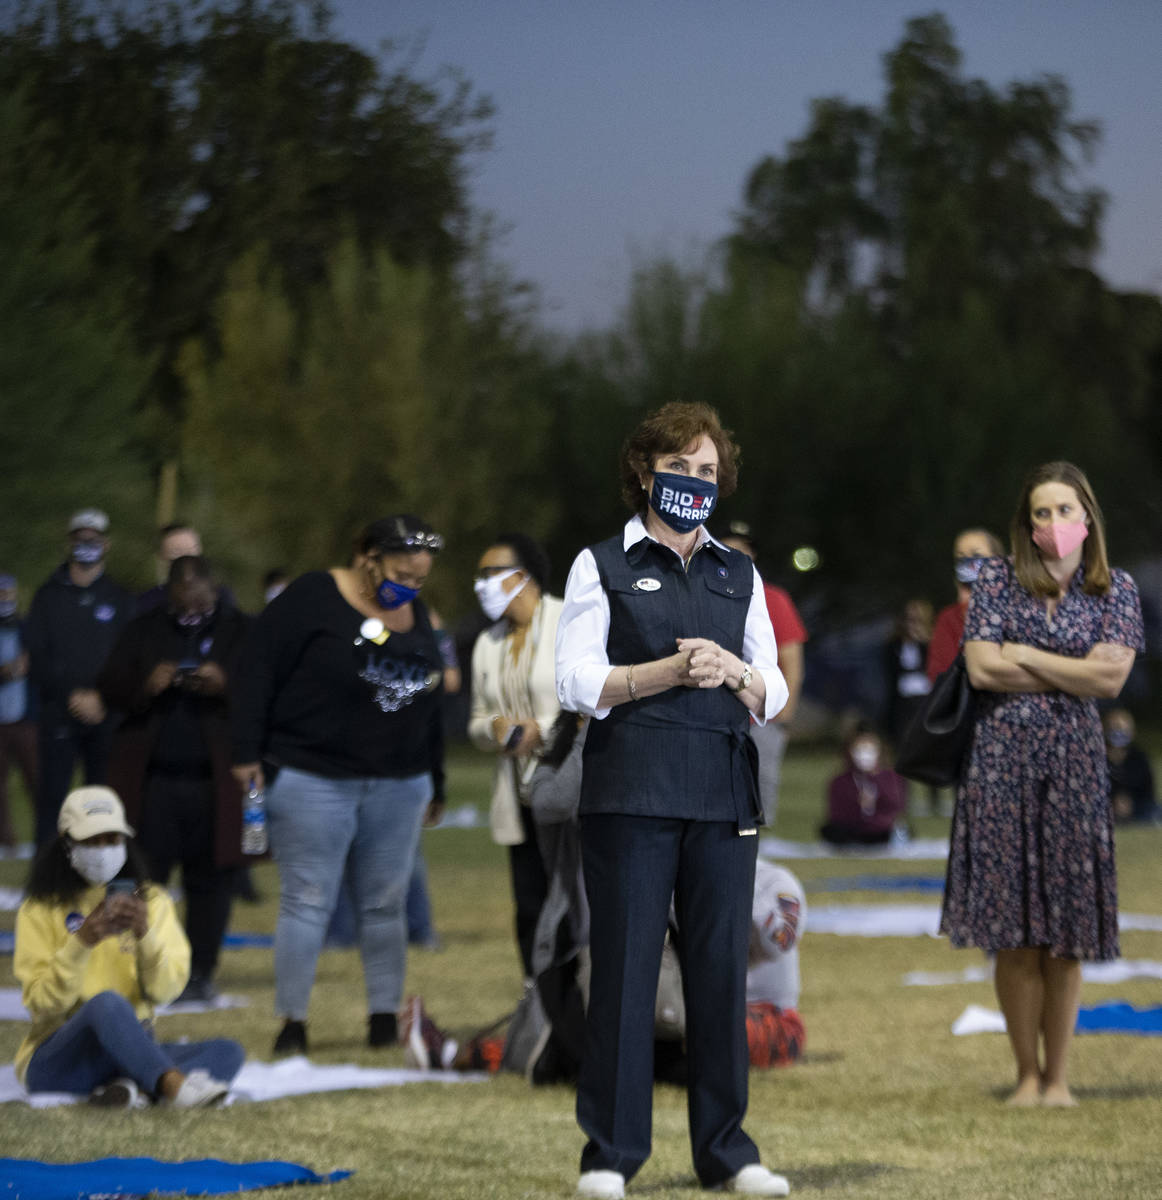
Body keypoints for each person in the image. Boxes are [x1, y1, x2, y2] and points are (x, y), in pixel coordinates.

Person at [556, 401, 790, 1199]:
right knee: (625, 973)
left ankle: (727, 1151)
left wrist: (736, 671)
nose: (695, 480)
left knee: (721, 976)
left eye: (708, 470)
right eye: (680, 466)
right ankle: (611, 1155)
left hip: (722, 795)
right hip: (631, 793)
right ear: (644, 470)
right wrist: (664, 672)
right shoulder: (600, 564)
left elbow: (774, 690)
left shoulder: (740, 573)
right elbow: (575, 681)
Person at [941, 461, 1143, 1108]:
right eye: (1041, 513)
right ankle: (1026, 1075)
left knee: (1066, 931)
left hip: (1076, 771)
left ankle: (1059, 1079)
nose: (1053, 523)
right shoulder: (996, 579)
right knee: (1014, 931)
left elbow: (1110, 680)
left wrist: (1025, 654)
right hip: (1001, 768)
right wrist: (1072, 669)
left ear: (1087, 516)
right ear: (1026, 524)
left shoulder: (1116, 588)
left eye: (1064, 510)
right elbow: (981, 669)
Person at [231, 514, 446, 1056]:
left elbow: (430, 702)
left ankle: (382, 1017)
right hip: (313, 777)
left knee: (386, 903)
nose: (409, 588)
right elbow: (255, 667)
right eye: (401, 575)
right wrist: (245, 751)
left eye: (419, 580)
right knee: (307, 899)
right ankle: (292, 1023)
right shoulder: (312, 596)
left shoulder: (415, 612)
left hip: (398, 783)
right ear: (367, 556)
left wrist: (435, 779)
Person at [14, 786, 244, 1107]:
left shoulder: (153, 901)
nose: (103, 850)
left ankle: (127, 1089)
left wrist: (144, 936)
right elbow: (42, 1005)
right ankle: (170, 1086)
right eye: (91, 841)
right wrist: (82, 942)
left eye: (112, 840)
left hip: (130, 1047)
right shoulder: (40, 908)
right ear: (67, 844)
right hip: (60, 1059)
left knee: (228, 1052)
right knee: (107, 1003)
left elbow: (166, 993)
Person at [97, 557, 250, 1002]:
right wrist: (147, 685)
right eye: (182, 599)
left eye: (200, 599)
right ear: (169, 594)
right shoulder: (143, 629)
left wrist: (226, 683)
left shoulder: (241, 630)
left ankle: (200, 971)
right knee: (143, 879)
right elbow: (109, 686)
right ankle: (140, 966)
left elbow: (269, 691)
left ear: (214, 589)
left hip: (215, 781)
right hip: (153, 782)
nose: (192, 608)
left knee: (211, 882)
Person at [468, 533, 564, 978]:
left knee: (573, 900)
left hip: (567, 785)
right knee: (529, 903)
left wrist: (540, 729)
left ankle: (580, 998)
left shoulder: (569, 621)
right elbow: (476, 719)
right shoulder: (488, 642)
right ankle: (536, 995)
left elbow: (593, 699)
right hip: (517, 793)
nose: (481, 585)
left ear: (522, 576)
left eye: (490, 574)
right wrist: (494, 728)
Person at [26, 509, 132, 847]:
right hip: (59, 713)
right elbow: (37, 655)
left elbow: (130, 657)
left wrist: (103, 697)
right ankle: (46, 871)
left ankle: (105, 867)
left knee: (104, 800)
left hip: (106, 715)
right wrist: (71, 695)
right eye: (80, 537)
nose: (87, 544)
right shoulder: (48, 596)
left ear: (106, 544)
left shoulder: (120, 597)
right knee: (52, 800)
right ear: (69, 542)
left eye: (93, 538)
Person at [720, 524, 807, 827]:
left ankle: (759, 844)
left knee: (761, 781)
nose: (736, 555)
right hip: (716, 709)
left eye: (743, 549)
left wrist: (785, 712)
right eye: (729, 547)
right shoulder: (702, 591)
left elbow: (792, 660)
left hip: (760, 710)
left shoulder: (772, 598)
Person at [926, 528, 1006, 681]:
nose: (968, 564)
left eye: (976, 556)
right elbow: (940, 674)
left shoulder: (1020, 609)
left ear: (999, 560)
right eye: (961, 557)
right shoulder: (949, 618)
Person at [819, 723, 908, 846]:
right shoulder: (840, 781)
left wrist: (876, 798)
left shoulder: (891, 778)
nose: (864, 754)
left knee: (899, 831)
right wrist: (856, 803)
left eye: (869, 749)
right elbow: (835, 813)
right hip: (851, 829)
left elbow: (897, 807)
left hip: (881, 829)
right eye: (859, 749)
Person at [0, 573, 38, 850]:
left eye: (6, 594)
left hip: (26, 719)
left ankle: (50, 837)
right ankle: (6, 843)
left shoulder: (27, 629)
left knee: (37, 780)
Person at [1104, 708, 1158, 824]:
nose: (1118, 732)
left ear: (1132, 732)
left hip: (1138, 807)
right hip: (1107, 807)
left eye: (1122, 729)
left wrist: (1130, 803)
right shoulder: (1099, 757)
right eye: (1114, 728)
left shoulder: (1139, 758)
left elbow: (1148, 792)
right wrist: (1113, 802)